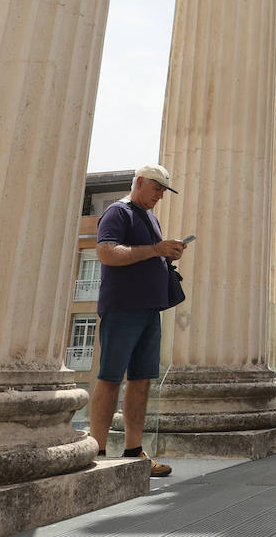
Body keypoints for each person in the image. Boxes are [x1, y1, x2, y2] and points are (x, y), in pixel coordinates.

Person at [89, 163, 188, 477]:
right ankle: (98, 453)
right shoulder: (118, 212)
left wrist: (165, 253)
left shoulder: (150, 217)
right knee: (110, 379)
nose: (160, 195)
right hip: (122, 309)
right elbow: (107, 253)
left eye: (163, 191)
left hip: (149, 310)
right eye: (157, 188)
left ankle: (134, 452)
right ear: (141, 182)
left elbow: (146, 252)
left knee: (142, 381)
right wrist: (154, 249)